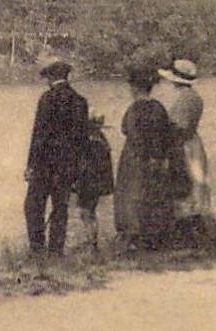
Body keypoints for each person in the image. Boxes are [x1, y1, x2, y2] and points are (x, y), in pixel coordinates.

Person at [23, 60, 89, 257]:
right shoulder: (80, 101)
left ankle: (37, 248)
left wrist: (31, 165)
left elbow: (39, 136)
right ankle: (56, 251)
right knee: (60, 208)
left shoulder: (47, 99)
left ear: (51, 78)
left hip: (45, 164)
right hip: (67, 165)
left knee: (33, 206)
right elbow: (82, 139)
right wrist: (78, 165)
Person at [114, 64, 179, 251]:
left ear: (135, 88)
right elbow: (166, 134)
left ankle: (133, 237)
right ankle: (155, 236)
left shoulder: (134, 109)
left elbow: (127, 130)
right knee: (154, 195)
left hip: (134, 158)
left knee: (131, 196)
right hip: (156, 158)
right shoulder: (158, 107)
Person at [162, 58, 212, 240]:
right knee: (195, 184)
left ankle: (189, 233)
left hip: (184, 145)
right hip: (192, 142)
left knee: (186, 184)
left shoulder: (185, 99)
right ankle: (195, 231)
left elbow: (180, 128)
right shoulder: (192, 97)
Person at [72, 110, 115, 255]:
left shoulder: (90, 142)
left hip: (88, 183)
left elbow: (84, 165)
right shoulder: (102, 140)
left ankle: (92, 245)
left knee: (86, 213)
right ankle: (92, 243)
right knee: (90, 213)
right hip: (97, 183)